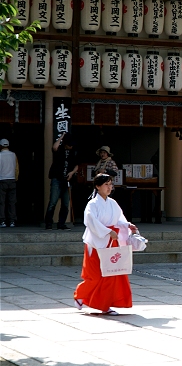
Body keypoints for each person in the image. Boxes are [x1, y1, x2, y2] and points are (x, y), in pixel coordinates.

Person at [74, 173, 138, 315]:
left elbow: (119, 219)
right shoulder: (92, 204)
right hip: (96, 243)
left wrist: (128, 225)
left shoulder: (112, 203)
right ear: (98, 186)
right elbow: (91, 221)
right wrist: (107, 232)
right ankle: (80, 294)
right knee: (95, 276)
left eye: (110, 184)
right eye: (106, 184)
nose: (109, 187)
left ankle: (105, 304)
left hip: (111, 242)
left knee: (111, 274)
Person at [46, 132, 79, 230]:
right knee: (53, 201)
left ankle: (61, 223)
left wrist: (72, 173)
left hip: (67, 180)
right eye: (69, 145)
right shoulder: (59, 149)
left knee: (65, 203)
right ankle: (48, 223)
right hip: (57, 178)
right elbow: (54, 147)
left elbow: (77, 165)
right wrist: (62, 137)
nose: (71, 146)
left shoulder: (74, 151)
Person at [0, 139, 18, 228]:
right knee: (12, 202)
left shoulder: (0, 155)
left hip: (2, 180)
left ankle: (2, 221)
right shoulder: (13, 155)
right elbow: (17, 168)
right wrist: (16, 178)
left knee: (1, 202)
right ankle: (12, 221)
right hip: (12, 180)